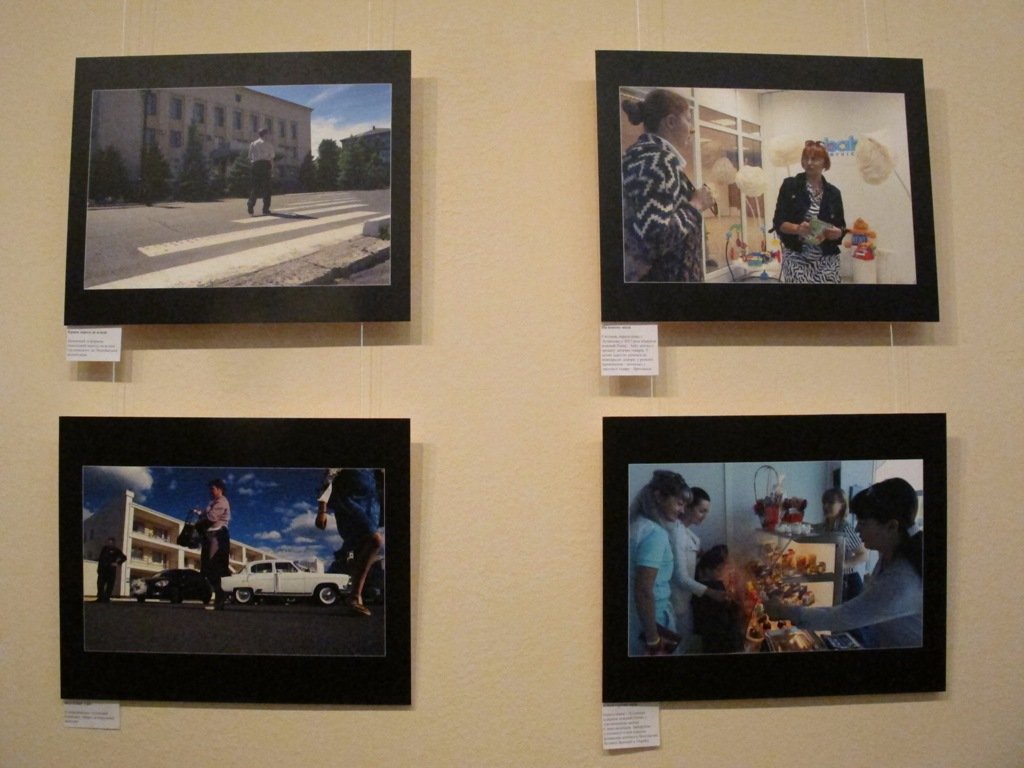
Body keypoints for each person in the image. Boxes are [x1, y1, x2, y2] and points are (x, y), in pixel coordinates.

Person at [767, 478, 923, 648]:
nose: (857, 529)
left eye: (863, 523)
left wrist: (784, 611)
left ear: (891, 527)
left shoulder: (903, 577)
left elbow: (845, 616)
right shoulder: (890, 554)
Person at [621, 88, 716, 282]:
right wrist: (696, 204)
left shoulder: (643, 156)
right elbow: (655, 237)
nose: (691, 129)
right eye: (688, 119)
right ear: (671, 122)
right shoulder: (657, 161)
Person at [627, 469, 691, 656]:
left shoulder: (638, 525)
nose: (682, 511)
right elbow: (644, 591)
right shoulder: (655, 534)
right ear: (659, 497)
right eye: (679, 503)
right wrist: (653, 641)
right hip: (652, 621)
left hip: (638, 618)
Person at [772, 140, 846, 283]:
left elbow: (841, 226)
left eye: (815, 159)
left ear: (825, 163)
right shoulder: (790, 185)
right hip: (796, 256)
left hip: (827, 258)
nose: (809, 162)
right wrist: (797, 229)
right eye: (806, 158)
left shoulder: (834, 193)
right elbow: (778, 222)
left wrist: (837, 233)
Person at [316, 468, 384, 617]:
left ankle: (355, 599)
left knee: (362, 547)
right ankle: (355, 596)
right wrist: (322, 510)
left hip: (372, 504)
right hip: (349, 501)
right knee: (375, 540)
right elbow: (329, 477)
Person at [669, 487, 728, 653]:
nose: (704, 516)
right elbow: (680, 577)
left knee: (686, 643)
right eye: (701, 511)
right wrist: (712, 592)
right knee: (678, 648)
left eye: (706, 512)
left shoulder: (687, 533)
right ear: (687, 507)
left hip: (685, 600)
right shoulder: (676, 533)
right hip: (675, 601)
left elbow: (693, 551)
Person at [816, 488, 869, 602]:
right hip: (832, 580)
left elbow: (863, 555)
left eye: (831, 503)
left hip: (848, 582)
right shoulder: (822, 527)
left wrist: (842, 565)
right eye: (824, 502)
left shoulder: (845, 528)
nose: (825, 506)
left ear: (842, 506)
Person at [691, 545, 744, 653]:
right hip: (718, 639)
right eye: (718, 570)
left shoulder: (700, 582)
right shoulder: (711, 588)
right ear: (707, 570)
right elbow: (727, 615)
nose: (721, 573)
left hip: (709, 638)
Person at [199, 478, 231, 610]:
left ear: (219, 489)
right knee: (207, 568)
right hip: (210, 536)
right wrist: (201, 513)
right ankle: (219, 600)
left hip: (217, 536)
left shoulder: (222, 501)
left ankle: (220, 601)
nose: (210, 491)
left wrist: (202, 516)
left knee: (214, 567)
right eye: (210, 489)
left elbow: (211, 518)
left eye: (212, 489)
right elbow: (206, 514)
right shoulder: (213, 502)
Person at [247, 127, 275, 215]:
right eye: (268, 134)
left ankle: (250, 204)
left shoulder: (253, 143)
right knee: (267, 188)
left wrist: (253, 164)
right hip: (265, 165)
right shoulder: (269, 145)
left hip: (255, 165)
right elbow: (271, 158)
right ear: (265, 134)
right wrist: (271, 169)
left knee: (255, 187)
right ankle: (265, 209)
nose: (269, 136)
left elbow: (249, 157)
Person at [95, 537, 127, 602]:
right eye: (108, 541)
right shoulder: (104, 549)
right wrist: (98, 569)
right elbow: (100, 560)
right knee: (100, 584)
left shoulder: (116, 550)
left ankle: (107, 599)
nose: (109, 543)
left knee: (110, 585)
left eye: (110, 542)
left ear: (113, 543)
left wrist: (117, 563)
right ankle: (100, 598)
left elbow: (124, 557)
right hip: (102, 571)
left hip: (111, 571)